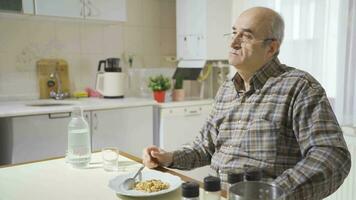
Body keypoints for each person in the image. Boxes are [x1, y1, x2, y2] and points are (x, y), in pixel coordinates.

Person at [142, 7, 351, 200]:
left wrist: (273, 193)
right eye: (234, 32)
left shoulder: (300, 87)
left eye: (246, 36)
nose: (233, 42)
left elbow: (333, 156)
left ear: (271, 48)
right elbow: (204, 147)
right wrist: (168, 157)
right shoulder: (226, 89)